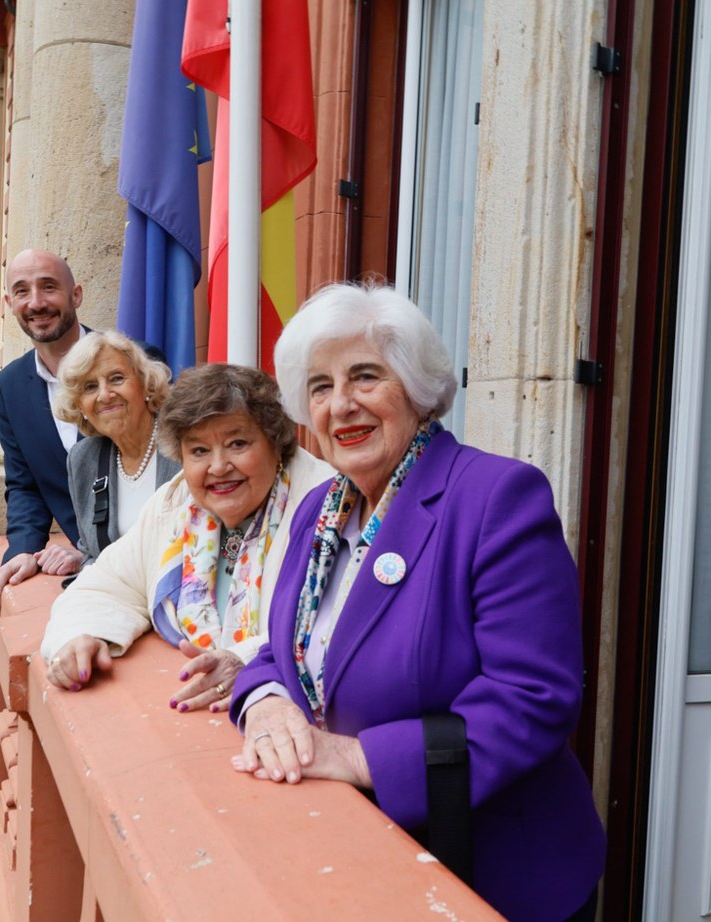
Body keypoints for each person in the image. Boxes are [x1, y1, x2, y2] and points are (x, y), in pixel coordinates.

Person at [228, 283, 606, 922]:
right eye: (320, 387)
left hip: (489, 873)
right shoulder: (320, 510)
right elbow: (284, 648)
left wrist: (357, 757)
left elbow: (533, 697)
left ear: (416, 386)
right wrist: (263, 702)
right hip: (352, 856)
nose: (341, 404)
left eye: (365, 376)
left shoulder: (496, 498)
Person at [41, 364, 334, 712]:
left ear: (275, 443)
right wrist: (80, 637)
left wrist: (246, 660)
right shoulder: (175, 504)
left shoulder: (325, 506)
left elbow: (332, 623)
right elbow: (104, 586)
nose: (218, 466)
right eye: (198, 451)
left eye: (237, 444)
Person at [0, 248, 91, 613]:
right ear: (9, 304)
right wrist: (23, 549)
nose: (36, 303)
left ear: (76, 295)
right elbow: (25, 484)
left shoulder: (128, 363)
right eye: (22, 291)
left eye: (49, 287)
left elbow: (156, 480)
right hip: (81, 576)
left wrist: (87, 549)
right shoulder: (9, 385)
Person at [51, 330, 180, 572]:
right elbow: (91, 554)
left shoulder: (184, 444)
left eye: (117, 379)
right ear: (80, 406)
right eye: (90, 387)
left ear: (145, 384)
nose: (105, 395)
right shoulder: (83, 459)